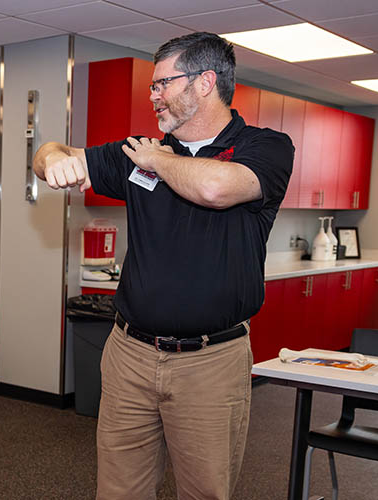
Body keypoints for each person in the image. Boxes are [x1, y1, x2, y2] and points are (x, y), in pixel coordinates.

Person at [34, 32, 294, 500]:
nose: (153, 96)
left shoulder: (265, 147)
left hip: (211, 361)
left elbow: (216, 188)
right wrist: (52, 157)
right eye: (152, 86)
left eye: (163, 84)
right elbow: (51, 154)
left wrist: (157, 158)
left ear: (205, 82)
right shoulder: (140, 153)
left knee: (204, 492)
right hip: (130, 353)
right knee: (119, 490)